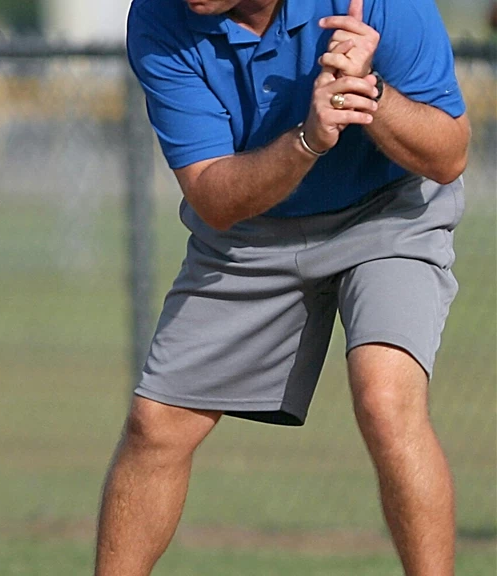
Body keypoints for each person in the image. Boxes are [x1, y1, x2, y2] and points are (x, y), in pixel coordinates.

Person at [96, 0, 470, 574]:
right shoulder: (159, 18)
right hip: (253, 225)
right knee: (157, 425)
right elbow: (214, 197)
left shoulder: (377, 4)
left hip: (387, 211)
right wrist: (308, 140)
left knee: (385, 399)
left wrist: (368, 93)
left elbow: (449, 155)